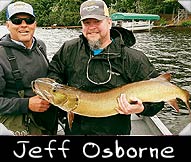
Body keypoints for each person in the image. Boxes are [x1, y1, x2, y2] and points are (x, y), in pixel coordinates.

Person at [47, 0, 164, 135]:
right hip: (76, 131)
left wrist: (141, 108)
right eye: (87, 23)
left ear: (109, 22)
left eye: (97, 21)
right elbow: (54, 73)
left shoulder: (133, 58)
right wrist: (58, 94)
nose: (91, 27)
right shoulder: (69, 49)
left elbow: (158, 100)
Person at [0, 1, 58, 135]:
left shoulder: (40, 46)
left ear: (35, 24)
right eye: (17, 21)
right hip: (19, 126)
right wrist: (26, 104)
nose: (24, 25)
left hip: (47, 122)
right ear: (7, 25)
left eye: (29, 20)